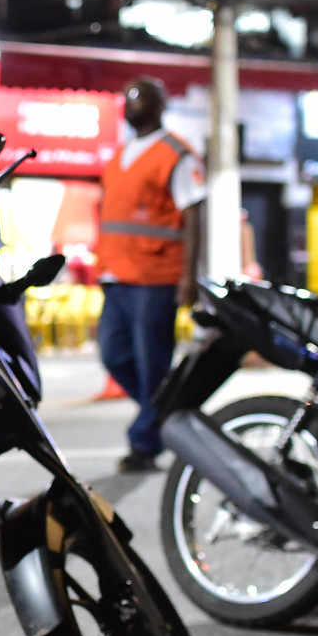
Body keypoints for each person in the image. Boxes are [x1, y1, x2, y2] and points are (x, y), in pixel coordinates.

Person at [94, 77, 208, 473]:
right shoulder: (120, 155)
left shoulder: (177, 155)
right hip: (117, 276)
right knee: (112, 354)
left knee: (152, 362)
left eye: (140, 96)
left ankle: (144, 443)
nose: (131, 102)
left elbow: (194, 216)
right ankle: (163, 411)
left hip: (157, 277)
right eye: (127, 96)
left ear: (160, 105)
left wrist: (189, 277)